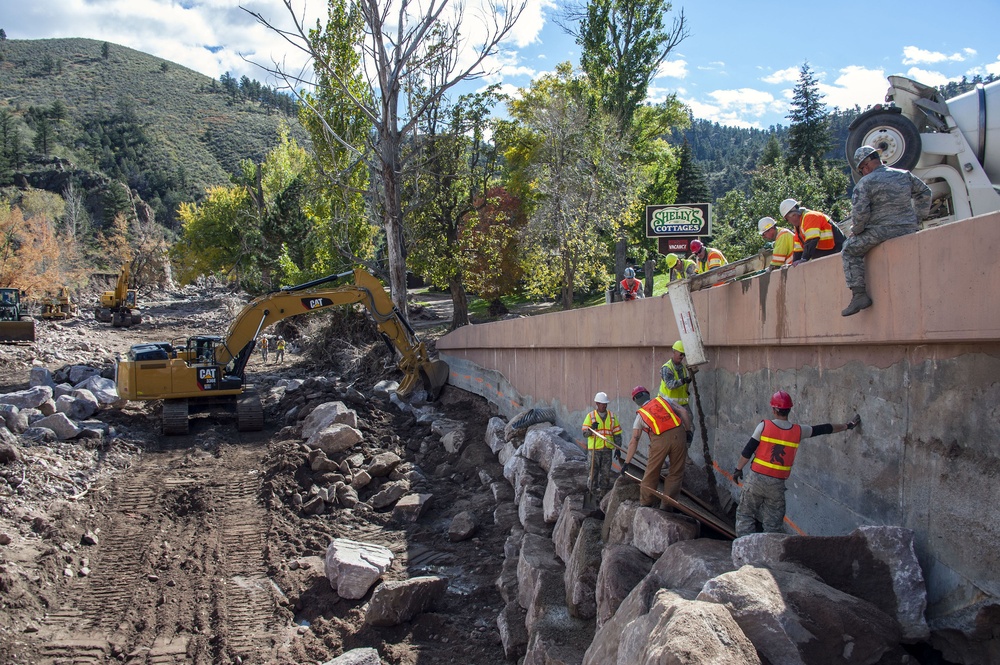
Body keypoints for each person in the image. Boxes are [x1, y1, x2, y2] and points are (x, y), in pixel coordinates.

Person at [732, 390, 859, 537]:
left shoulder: (764, 426)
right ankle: (769, 554)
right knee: (773, 524)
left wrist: (738, 469)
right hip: (777, 485)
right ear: (790, 409)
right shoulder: (798, 431)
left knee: (745, 515)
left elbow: (747, 451)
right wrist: (847, 426)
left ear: (773, 409)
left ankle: (743, 551)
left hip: (755, 480)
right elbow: (824, 428)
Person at [841, 145, 933, 316]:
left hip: (880, 231)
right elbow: (925, 192)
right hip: (907, 227)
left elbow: (860, 214)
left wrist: (857, 230)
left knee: (849, 250)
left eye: (861, 170)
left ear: (865, 166)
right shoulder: (903, 175)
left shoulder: (865, 183)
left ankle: (859, 295)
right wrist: (918, 218)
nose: (863, 173)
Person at [623, 385, 693, 508]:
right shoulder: (664, 400)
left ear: (635, 401)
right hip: (679, 434)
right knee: (676, 472)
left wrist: (626, 463)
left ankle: (646, 503)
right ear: (648, 394)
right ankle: (667, 506)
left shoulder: (640, 415)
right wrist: (688, 431)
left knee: (652, 472)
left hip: (659, 440)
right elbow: (684, 412)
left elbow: (634, 441)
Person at [581, 391, 623, 501]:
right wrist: (591, 429)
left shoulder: (613, 417)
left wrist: (618, 448)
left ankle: (603, 495)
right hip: (594, 450)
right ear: (597, 403)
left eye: (605, 404)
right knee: (593, 472)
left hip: (607, 450)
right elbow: (585, 434)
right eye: (602, 404)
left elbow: (617, 434)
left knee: (606, 474)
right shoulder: (590, 416)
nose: (604, 406)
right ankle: (592, 493)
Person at [779, 198, 845, 264]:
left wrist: (804, 259)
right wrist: (794, 263)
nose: (789, 222)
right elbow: (798, 249)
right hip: (828, 253)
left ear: (793, 215)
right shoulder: (799, 227)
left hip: (838, 250)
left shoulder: (810, 216)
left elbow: (812, 240)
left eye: (787, 219)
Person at [658, 340, 694, 414]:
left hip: (682, 404)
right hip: (668, 404)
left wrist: (687, 383)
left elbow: (683, 386)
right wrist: (683, 381)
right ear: (674, 352)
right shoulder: (667, 368)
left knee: (689, 420)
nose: (682, 357)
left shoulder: (682, 367)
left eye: (684, 354)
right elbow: (670, 385)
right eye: (681, 354)